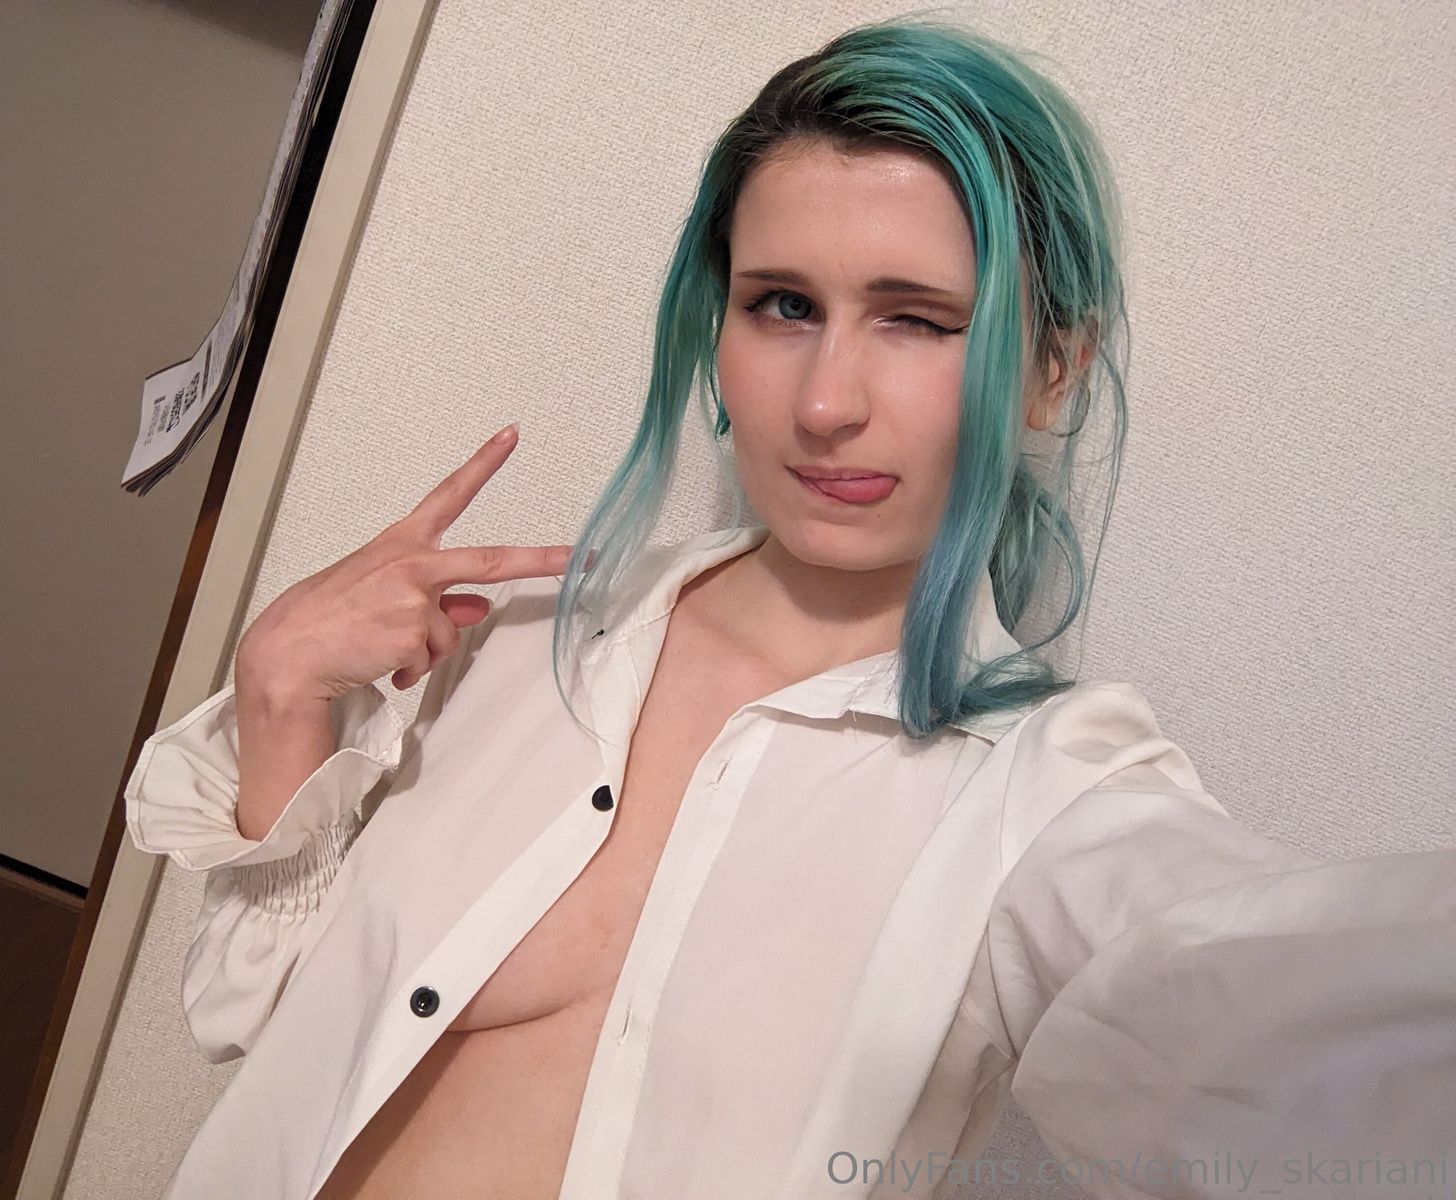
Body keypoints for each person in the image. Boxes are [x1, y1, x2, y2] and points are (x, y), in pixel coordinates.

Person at [124, 13, 1455, 1200]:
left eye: (917, 319)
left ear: (1051, 370)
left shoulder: (1039, 803)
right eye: (781, 305)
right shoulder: (518, 644)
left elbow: (1286, 1028)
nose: (825, 402)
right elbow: (255, 1026)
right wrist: (283, 699)